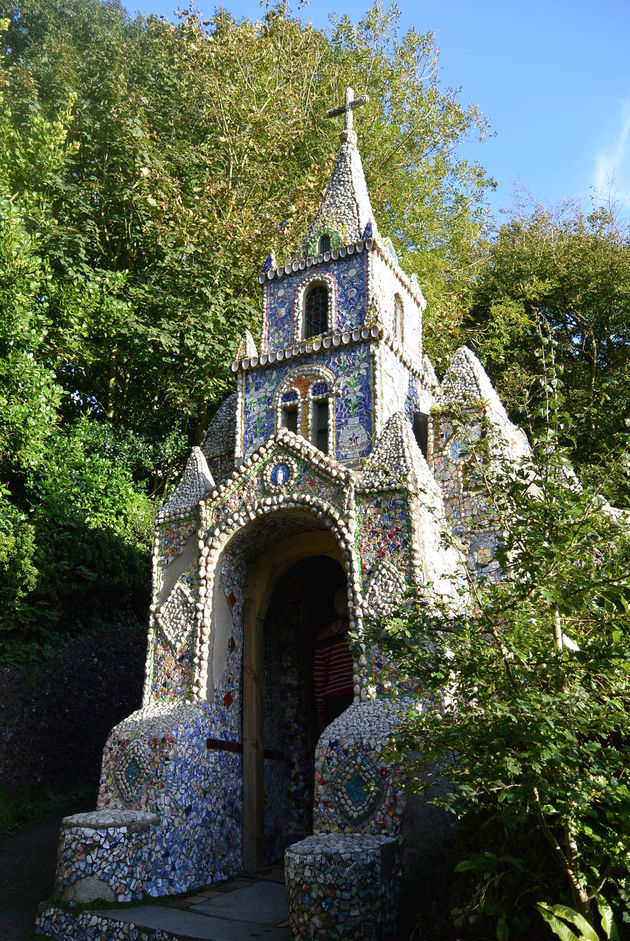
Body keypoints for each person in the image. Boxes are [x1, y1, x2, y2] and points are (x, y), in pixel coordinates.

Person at [313, 587, 354, 729]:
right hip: (352, 691)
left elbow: (318, 679)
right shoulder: (356, 631)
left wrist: (320, 711)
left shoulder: (323, 635)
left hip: (332, 697)